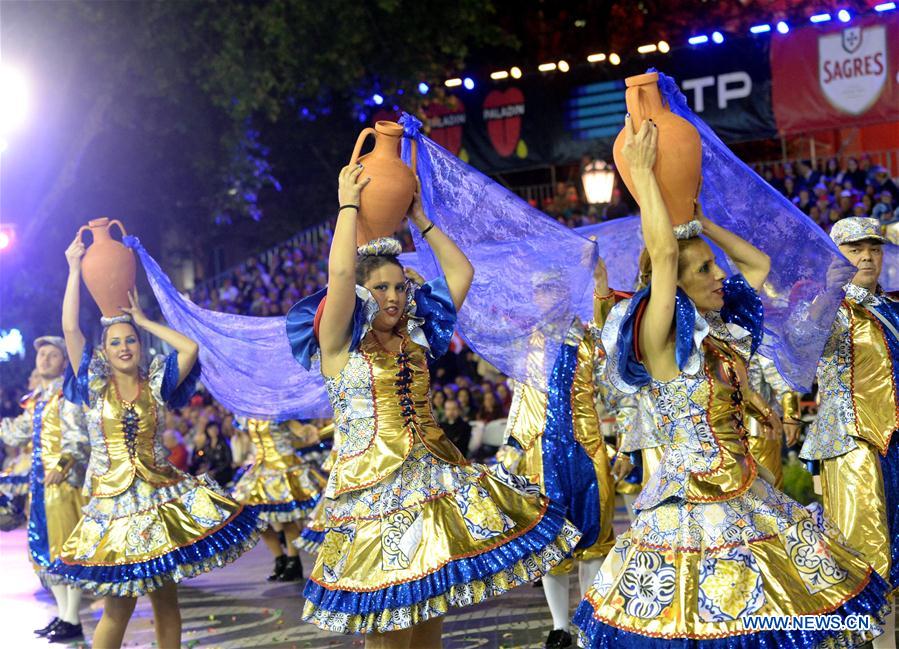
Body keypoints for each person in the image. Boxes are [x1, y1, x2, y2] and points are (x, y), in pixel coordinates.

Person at [575, 117, 890, 647]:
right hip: (687, 510)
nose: (720, 276)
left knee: (775, 621)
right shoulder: (657, 336)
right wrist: (645, 175)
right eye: (705, 272)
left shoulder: (718, 333)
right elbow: (666, 254)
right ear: (671, 284)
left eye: (713, 268)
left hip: (745, 493)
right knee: (706, 628)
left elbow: (758, 264)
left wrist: (704, 226)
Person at [287, 163, 580, 648]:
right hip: (370, 498)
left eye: (401, 287)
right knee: (388, 637)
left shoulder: (416, 338)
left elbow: (461, 270)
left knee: (429, 624)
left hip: (430, 484)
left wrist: (421, 218)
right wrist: (347, 205)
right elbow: (340, 271)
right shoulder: (337, 345)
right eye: (381, 288)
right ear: (360, 294)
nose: (395, 297)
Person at [51, 235, 260, 649]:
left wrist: (142, 320)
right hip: (113, 509)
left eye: (130, 340)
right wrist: (74, 269)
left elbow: (190, 346)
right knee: (117, 609)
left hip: (159, 501)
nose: (125, 347)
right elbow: (70, 328)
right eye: (115, 343)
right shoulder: (95, 383)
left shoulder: (157, 382)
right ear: (104, 353)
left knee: (167, 603)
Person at [503, 255, 631, 649]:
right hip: (544, 455)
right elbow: (522, 401)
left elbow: (617, 390)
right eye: (541, 291)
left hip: (588, 451)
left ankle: (589, 622)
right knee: (551, 544)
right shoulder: (528, 346)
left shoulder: (590, 339)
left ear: (567, 293)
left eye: (554, 289)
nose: (547, 297)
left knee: (593, 541)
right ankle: (560, 628)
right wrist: (511, 448)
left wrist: (627, 443)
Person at [800, 217, 899, 648]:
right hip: (851, 441)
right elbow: (800, 345)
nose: (866, 257)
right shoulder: (827, 306)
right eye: (854, 249)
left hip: (894, 442)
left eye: (873, 249)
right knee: (865, 553)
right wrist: (827, 293)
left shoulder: (892, 307)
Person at [0, 336, 90, 642]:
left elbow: (79, 439)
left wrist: (62, 468)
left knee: (66, 551)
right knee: (46, 551)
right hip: (40, 487)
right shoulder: (38, 399)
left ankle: (72, 618)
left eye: (53, 355)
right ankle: (65, 616)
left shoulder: (68, 395)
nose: (46, 360)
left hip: (62, 485)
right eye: (42, 355)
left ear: (64, 362)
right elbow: (16, 434)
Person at [231, 418, 327, 582]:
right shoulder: (247, 416)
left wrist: (306, 431)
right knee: (254, 517)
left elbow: (298, 430)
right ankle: (279, 558)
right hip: (261, 470)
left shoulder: (279, 413)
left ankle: (293, 561)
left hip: (284, 468)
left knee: (287, 518)